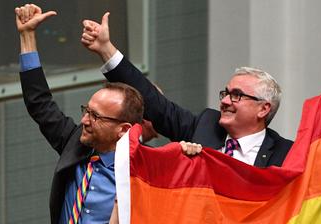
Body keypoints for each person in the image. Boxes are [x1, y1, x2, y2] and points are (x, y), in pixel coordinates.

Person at [15, 4, 140, 224]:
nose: (85, 120)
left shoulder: (142, 171)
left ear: (123, 129)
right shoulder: (77, 144)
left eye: (96, 117)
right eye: (87, 111)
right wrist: (27, 37)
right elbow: (40, 104)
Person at [81, 13, 293, 167]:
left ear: (264, 109)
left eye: (236, 95)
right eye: (226, 93)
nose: (225, 101)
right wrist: (106, 49)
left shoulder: (285, 154)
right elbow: (154, 102)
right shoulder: (205, 126)